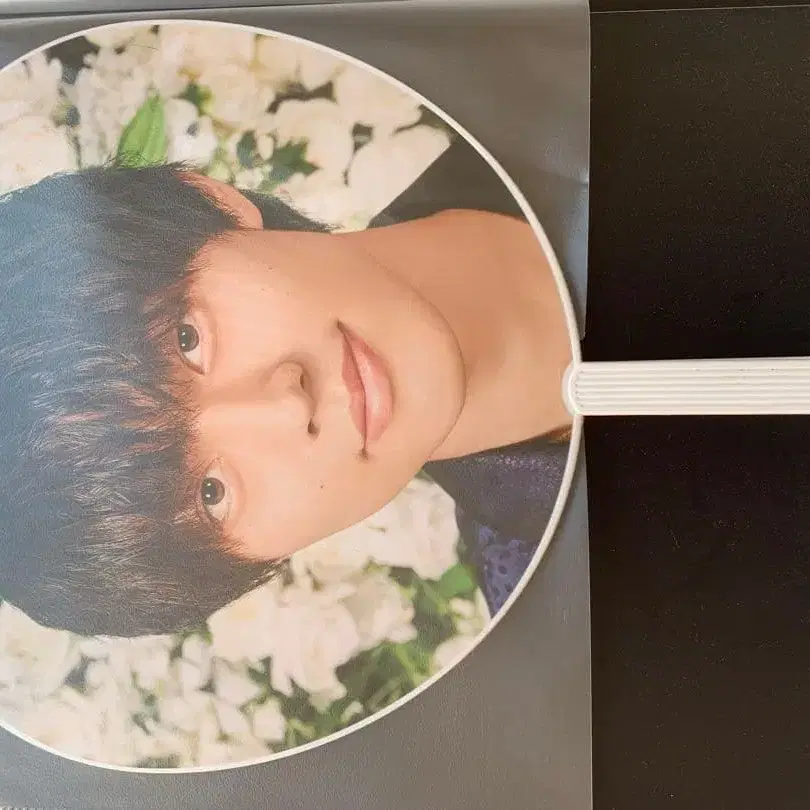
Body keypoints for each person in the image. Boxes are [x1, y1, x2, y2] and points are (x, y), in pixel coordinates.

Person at [0, 134, 572, 637]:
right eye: (212, 494)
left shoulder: (538, 85)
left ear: (210, 199)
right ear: (257, 564)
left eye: (186, 339)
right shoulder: (570, 614)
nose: (284, 405)